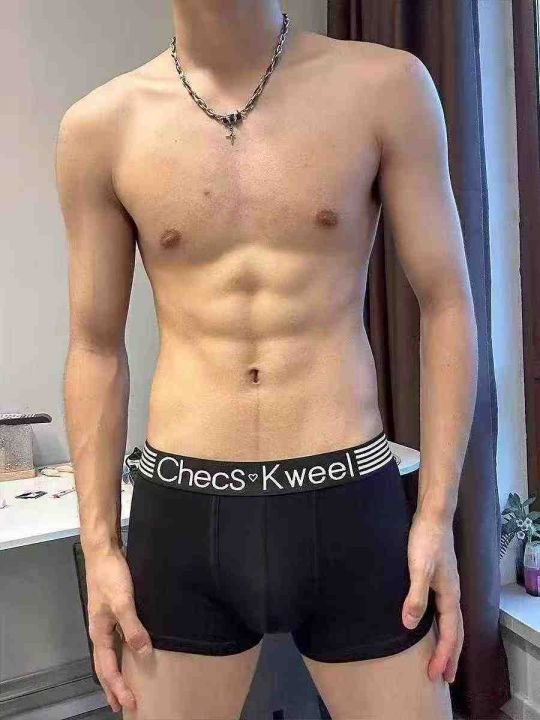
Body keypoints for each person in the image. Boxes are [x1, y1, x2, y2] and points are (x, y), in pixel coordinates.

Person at [55, 0, 477, 718]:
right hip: (183, 513)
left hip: (350, 500)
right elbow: (94, 348)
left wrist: (437, 516)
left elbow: (447, 305)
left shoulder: (386, 87)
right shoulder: (100, 127)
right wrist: (98, 547)